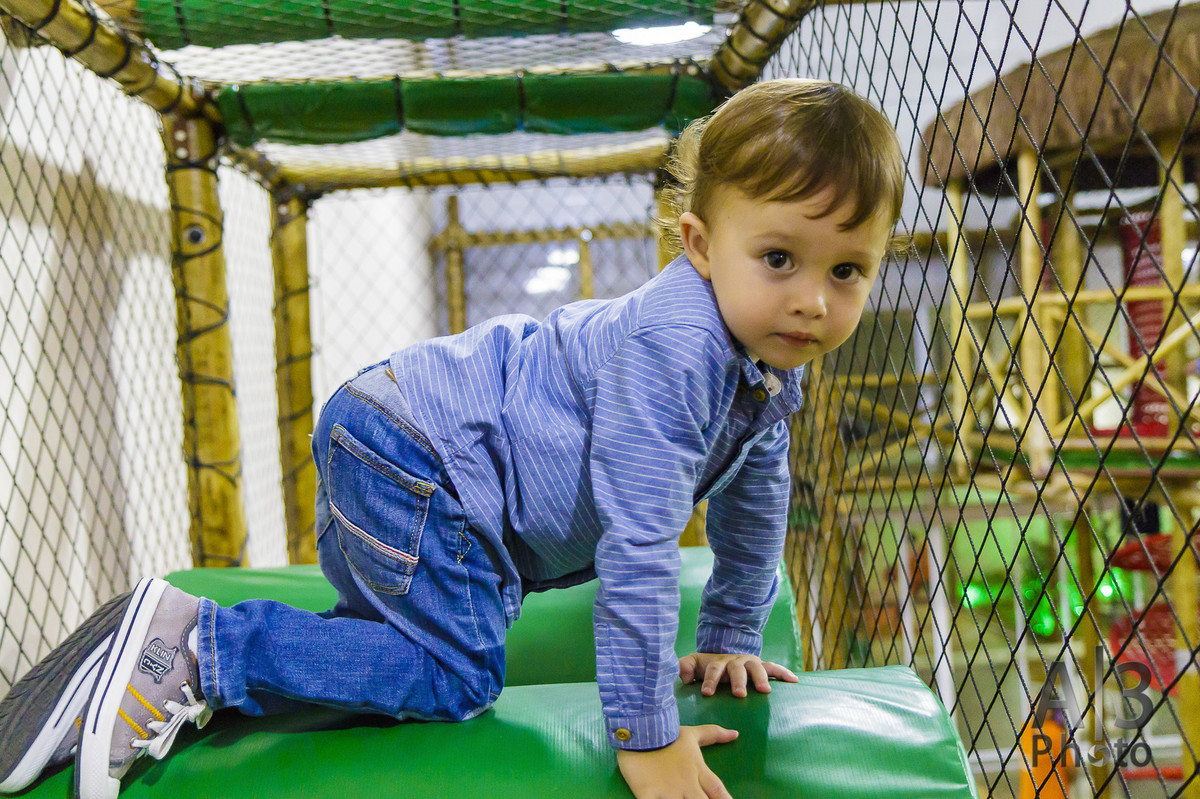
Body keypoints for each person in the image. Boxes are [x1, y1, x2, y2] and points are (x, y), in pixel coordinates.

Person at [0, 77, 906, 799]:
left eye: (848, 269)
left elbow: (757, 490)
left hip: (404, 444)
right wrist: (648, 737)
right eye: (779, 258)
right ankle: (197, 648)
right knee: (455, 676)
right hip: (425, 465)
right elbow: (639, 550)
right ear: (701, 244)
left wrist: (734, 631)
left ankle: (187, 655)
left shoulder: (762, 362)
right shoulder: (681, 349)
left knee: (396, 654)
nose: (813, 299)